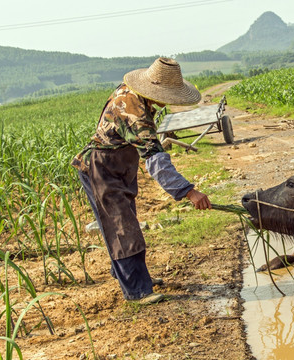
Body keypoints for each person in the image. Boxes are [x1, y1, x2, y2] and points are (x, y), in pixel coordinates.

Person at [71, 57, 211, 304]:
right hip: (101, 168)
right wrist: (189, 192)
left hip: (117, 166)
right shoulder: (134, 112)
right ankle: (137, 290)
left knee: (123, 221)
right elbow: (155, 160)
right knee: (121, 226)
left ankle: (131, 275)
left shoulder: (133, 94)